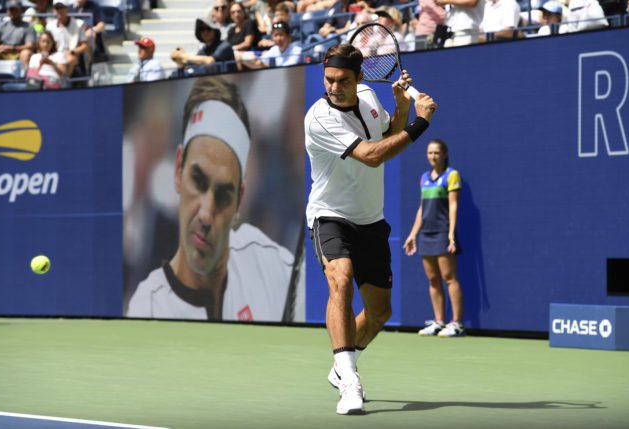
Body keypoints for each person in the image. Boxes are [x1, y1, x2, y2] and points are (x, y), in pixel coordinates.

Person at [304, 43, 437, 415]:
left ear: (359, 78)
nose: (334, 86)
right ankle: (349, 381)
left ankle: (342, 364)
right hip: (329, 216)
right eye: (329, 79)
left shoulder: (367, 95)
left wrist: (403, 109)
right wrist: (421, 123)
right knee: (340, 279)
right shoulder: (318, 118)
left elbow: (384, 136)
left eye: (343, 80)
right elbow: (373, 156)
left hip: (370, 220)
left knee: (378, 313)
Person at [126, 76, 295, 322]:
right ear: (177, 170)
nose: (206, 213)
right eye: (198, 181)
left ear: (240, 197)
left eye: (224, 194)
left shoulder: (278, 270)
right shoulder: (148, 304)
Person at [403, 139, 465, 338]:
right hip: (426, 234)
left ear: (444, 154)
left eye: (437, 153)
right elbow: (422, 208)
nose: (433, 156)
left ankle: (457, 323)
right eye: (430, 153)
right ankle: (439, 321)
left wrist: (451, 234)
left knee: (449, 278)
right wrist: (413, 234)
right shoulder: (424, 177)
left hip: (442, 232)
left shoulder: (451, 175)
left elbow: (454, 205)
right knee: (432, 279)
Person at [170, 17, 235, 76]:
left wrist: (182, 55)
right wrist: (179, 62)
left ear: (215, 31)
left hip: (227, 86)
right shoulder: (203, 50)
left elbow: (210, 61)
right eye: (202, 29)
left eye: (208, 29)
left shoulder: (225, 46)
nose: (205, 32)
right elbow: (190, 65)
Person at [0, 0, 36, 70]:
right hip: (2, 54)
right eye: (11, 9)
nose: (13, 12)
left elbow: (30, 46)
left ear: (21, 11)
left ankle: (23, 78)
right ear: (7, 11)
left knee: (26, 53)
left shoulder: (28, 27)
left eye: (15, 10)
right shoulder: (0, 26)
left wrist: (13, 48)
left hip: (18, 53)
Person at [46, 0, 90, 78]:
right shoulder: (49, 26)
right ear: (54, 10)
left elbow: (85, 46)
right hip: (54, 54)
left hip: (71, 55)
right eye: (57, 8)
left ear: (68, 9)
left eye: (62, 8)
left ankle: (64, 84)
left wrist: (72, 51)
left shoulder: (79, 24)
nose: (59, 11)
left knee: (70, 60)